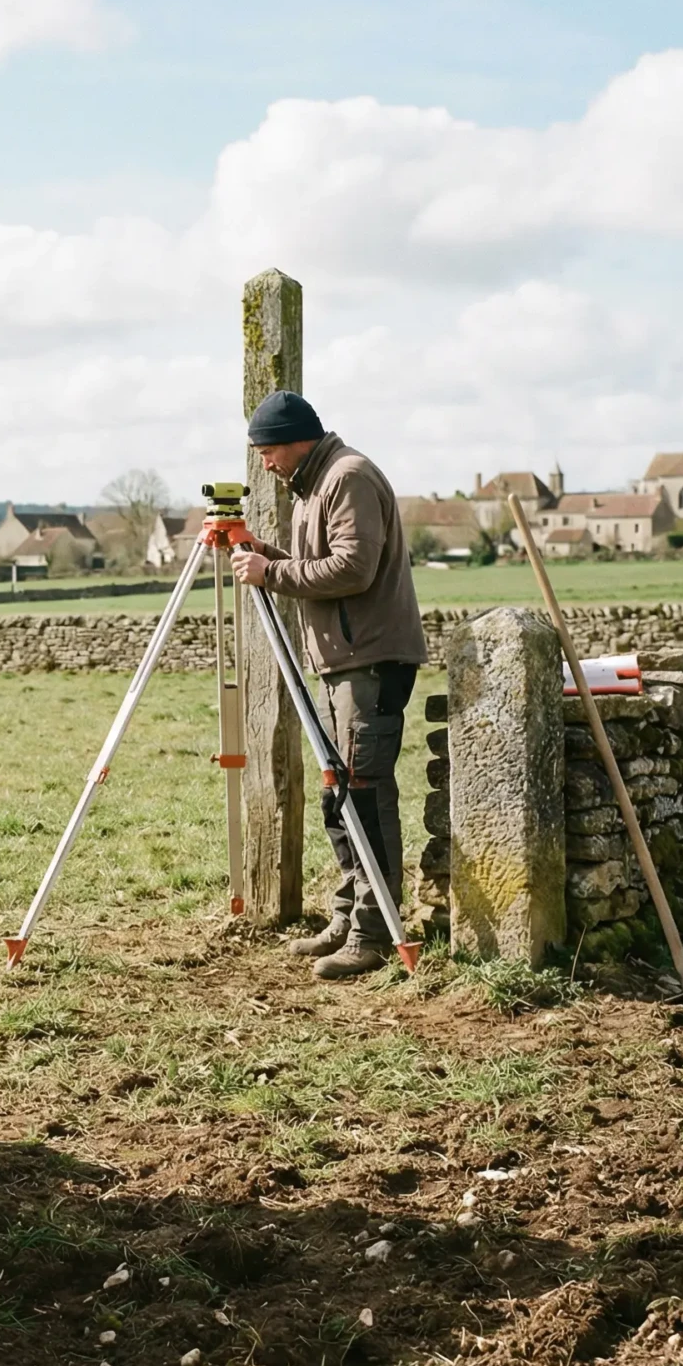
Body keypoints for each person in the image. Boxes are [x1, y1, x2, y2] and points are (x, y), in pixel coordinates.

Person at [230, 390, 428, 980]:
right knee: (337, 794)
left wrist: (273, 572)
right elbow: (323, 562)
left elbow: (352, 568)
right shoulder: (314, 486)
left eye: (267, 451)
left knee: (364, 793)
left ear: (294, 439)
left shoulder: (349, 477)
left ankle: (374, 935)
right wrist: (274, 555)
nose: (264, 463)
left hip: (370, 662)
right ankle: (348, 915)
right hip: (341, 662)